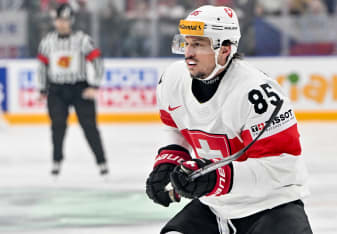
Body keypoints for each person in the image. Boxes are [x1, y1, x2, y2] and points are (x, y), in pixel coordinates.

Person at [145, 5, 312, 234]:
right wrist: (170, 158)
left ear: (225, 50)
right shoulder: (173, 79)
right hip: (214, 207)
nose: (188, 53)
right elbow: (174, 126)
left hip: (270, 207)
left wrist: (216, 178)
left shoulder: (257, 93)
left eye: (198, 44)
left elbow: (283, 167)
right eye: (186, 42)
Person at [37, 3, 108, 176]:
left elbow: (97, 60)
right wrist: (42, 89)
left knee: (89, 126)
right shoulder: (47, 42)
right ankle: (57, 160)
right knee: (58, 125)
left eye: (66, 20)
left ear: (71, 21)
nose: (62, 23)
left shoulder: (82, 39)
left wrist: (94, 85)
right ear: (55, 21)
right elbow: (42, 66)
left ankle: (101, 161)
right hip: (57, 90)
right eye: (60, 20)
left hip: (79, 88)